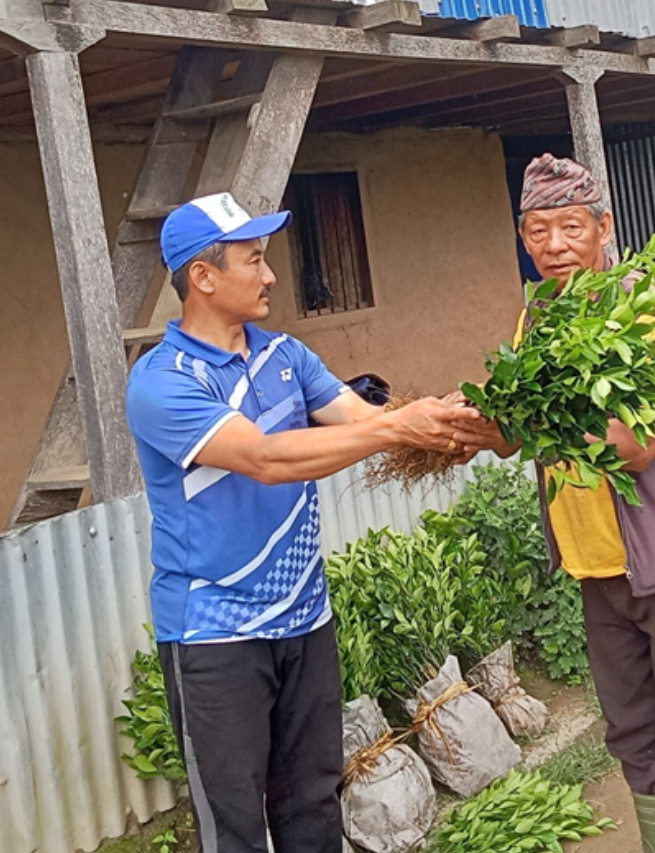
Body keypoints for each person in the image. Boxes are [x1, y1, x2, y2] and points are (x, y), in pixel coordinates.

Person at [126, 193, 477, 852]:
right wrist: (400, 426)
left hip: (305, 621)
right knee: (235, 825)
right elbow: (263, 457)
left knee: (312, 803)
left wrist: (457, 424)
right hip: (215, 635)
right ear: (202, 276)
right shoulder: (162, 383)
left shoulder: (285, 355)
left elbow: (365, 423)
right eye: (253, 260)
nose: (270, 276)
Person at [454, 155, 655, 853]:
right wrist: (462, 423)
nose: (553, 246)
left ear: (604, 227)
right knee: (635, 734)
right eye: (536, 230)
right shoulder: (542, 317)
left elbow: (633, 446)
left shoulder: (647, 311)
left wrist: (529, 417)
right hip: (597, 566)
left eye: (569, 226)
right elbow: (515, 433)